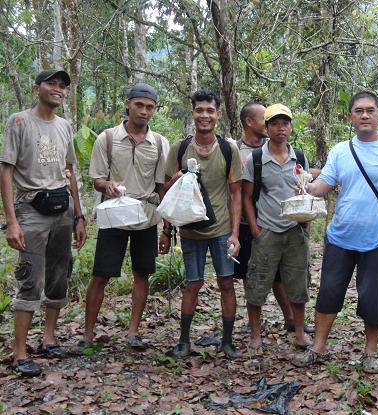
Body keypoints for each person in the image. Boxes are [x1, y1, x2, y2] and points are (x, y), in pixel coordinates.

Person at [291, 91, 378, 373]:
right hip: (340, 235)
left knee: (373, 296)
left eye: (369, 110)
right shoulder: (341, 150)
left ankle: (371, 352)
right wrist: (307, 188)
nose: (364, 115)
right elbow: (325, 182)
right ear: (350, 117)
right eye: (358, 111)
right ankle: (318, 347)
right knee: (329, 292)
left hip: (377, 236)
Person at [0, 69, 87, 376]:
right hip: (30, 209)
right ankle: (20, 352)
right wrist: (12, 221)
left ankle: (48, 339)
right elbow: (7, 171)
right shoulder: (19, 121)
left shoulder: (64, 125)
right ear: (36, 87)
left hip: (61, 206)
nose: (58, 89)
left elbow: (69, 171)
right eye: (51, 83)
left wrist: (79, 215)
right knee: (30, 280)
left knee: (58, 275)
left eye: (62, 85)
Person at [72, 83, 169, 353]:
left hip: (146, 218)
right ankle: (88, 335)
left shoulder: (159, 143)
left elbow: (162, 186)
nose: (144, 111)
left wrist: (167, 228)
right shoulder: (107, 138)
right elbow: (97, 179)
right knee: (101, 274)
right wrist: (107, 186)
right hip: (114, 216)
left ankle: (133, 332)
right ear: (127, 105)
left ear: (154, 110)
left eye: (149, 107)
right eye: (139, 105)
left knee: (142, 274)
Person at [159, 90, 243, 359]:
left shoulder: (229, 149)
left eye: (210, 110)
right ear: (192, 113)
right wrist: (167, 229)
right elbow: (165, 192)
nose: (204, 115)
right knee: (192, 284)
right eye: (199, 110)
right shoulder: (180, 149)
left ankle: (227, 342)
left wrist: (235, 234)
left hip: (220, 230)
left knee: (226, 282)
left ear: (218, 114)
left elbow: (236, 193)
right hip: (190, 229)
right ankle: (184, 341)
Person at [235, 102, 313, 335]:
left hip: (294, 230)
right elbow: (247, 197)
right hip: (267, 230)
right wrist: (256, 229)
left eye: (285, 124)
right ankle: (256, 334)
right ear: (267, 129)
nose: (281, 129)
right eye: (275, 124)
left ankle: (299, 332)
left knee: (298, 283)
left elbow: (305, 190)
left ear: (291, 127)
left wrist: (305, 225)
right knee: (257, 283)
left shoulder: (299, 157)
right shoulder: (256, 159)